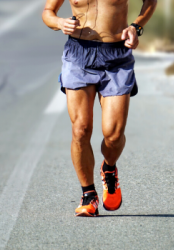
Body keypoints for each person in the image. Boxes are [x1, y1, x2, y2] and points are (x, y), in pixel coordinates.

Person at [42, 0, 157, 216]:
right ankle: (88, 195)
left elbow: (150, 1)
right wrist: (59, 22)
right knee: (81, 129)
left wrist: (136, 26)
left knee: (113, 135)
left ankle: (109, 167)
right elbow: (48, 12)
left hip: (116, 56)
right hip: (78, 55)